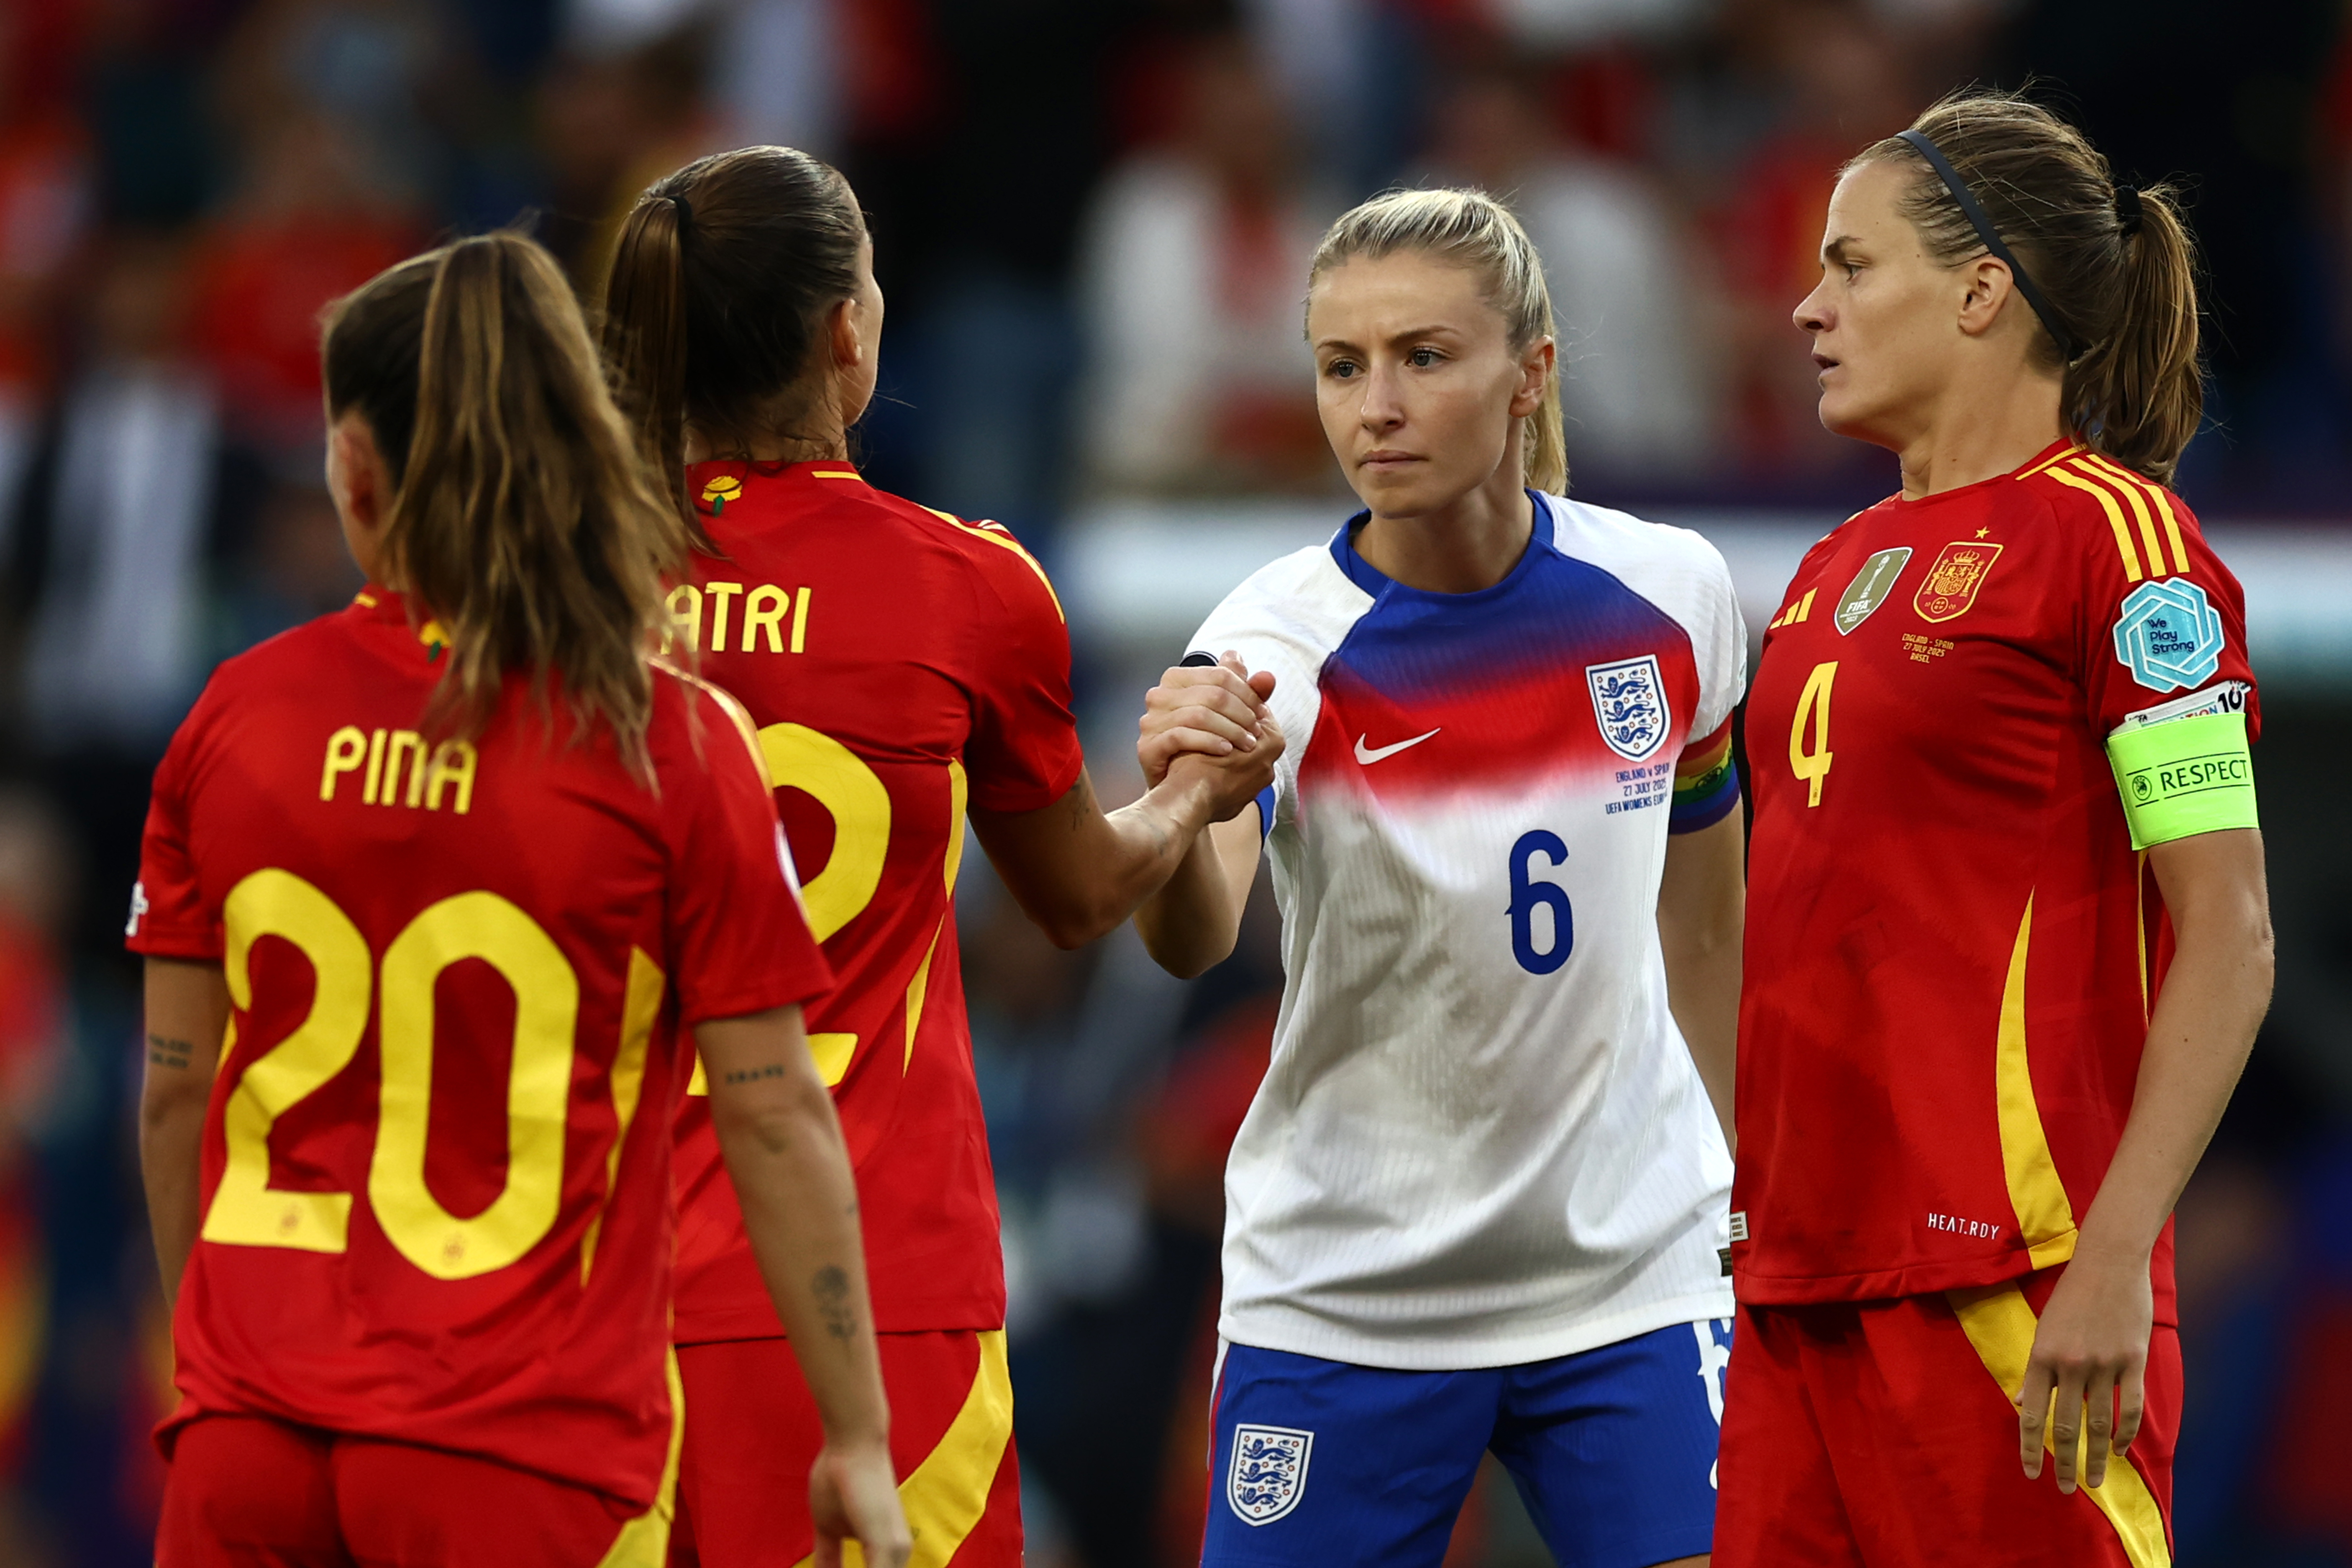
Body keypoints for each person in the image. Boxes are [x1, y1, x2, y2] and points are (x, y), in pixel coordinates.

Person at [130, 232, 911, 1568]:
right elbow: (774, 1111)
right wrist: (854, 1434)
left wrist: (226, 1354)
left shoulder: (238, 713)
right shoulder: (668, 739)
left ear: (358, 472)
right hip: (512, 1449)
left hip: (248, 1434)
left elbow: (172, 1089)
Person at [596, 146, 1278, 1567]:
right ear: (849, 332)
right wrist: (1194, 797)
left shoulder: (566, 596)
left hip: (590, 1284)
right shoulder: (965, 586)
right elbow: (1085, 894)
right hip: (877, 1293)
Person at [1132, 187, 1748, 1568]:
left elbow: (1706, 922)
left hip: (1630, 1276)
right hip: (1350, 1291)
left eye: (1423, 356)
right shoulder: (1273, 642)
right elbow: (1192, 934)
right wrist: (1190, 802)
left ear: (1529, 375)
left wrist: (1740, 1183)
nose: (1376, 405)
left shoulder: (1678, 597)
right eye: (1342, 367)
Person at [1714, 90, 2275, 1567]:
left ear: (1981, 292)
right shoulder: (1831, 567)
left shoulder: (2118, 542)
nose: (1805, 305)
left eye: (1851, 266)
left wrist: (2111, 1262)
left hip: (2010, 1280)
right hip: (1791, 1287)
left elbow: (2231, 933)